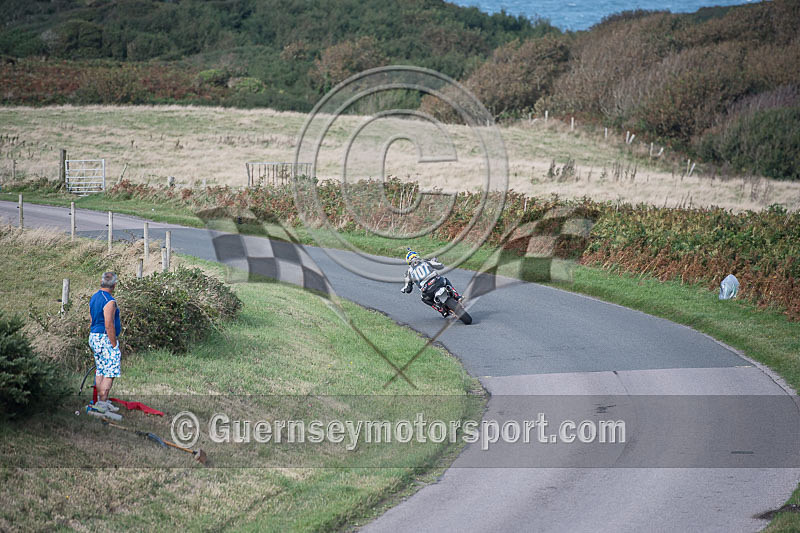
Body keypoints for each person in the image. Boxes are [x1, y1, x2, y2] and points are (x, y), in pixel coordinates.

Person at [88, 272, 122, 413]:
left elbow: (91, 319)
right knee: (110, 370)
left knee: (101, 369)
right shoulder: (109, 301)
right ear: (114, 285)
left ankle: (100, 401)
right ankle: (102, 403)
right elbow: (109, 324)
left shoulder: (94, 297)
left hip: (94, 336)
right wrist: (114, 345)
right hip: (104, 338)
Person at [400, 248, 460, 317]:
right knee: (445, 280)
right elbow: (440, 266)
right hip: (437, 281)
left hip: (427, 290)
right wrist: (434, 262)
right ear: (417, 256)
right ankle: (457, 296)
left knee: (424, 298)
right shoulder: (425, 261)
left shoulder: (408, 272)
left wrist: (405, 289)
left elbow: (408, 289)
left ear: (408, 261)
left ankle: (441, 310)